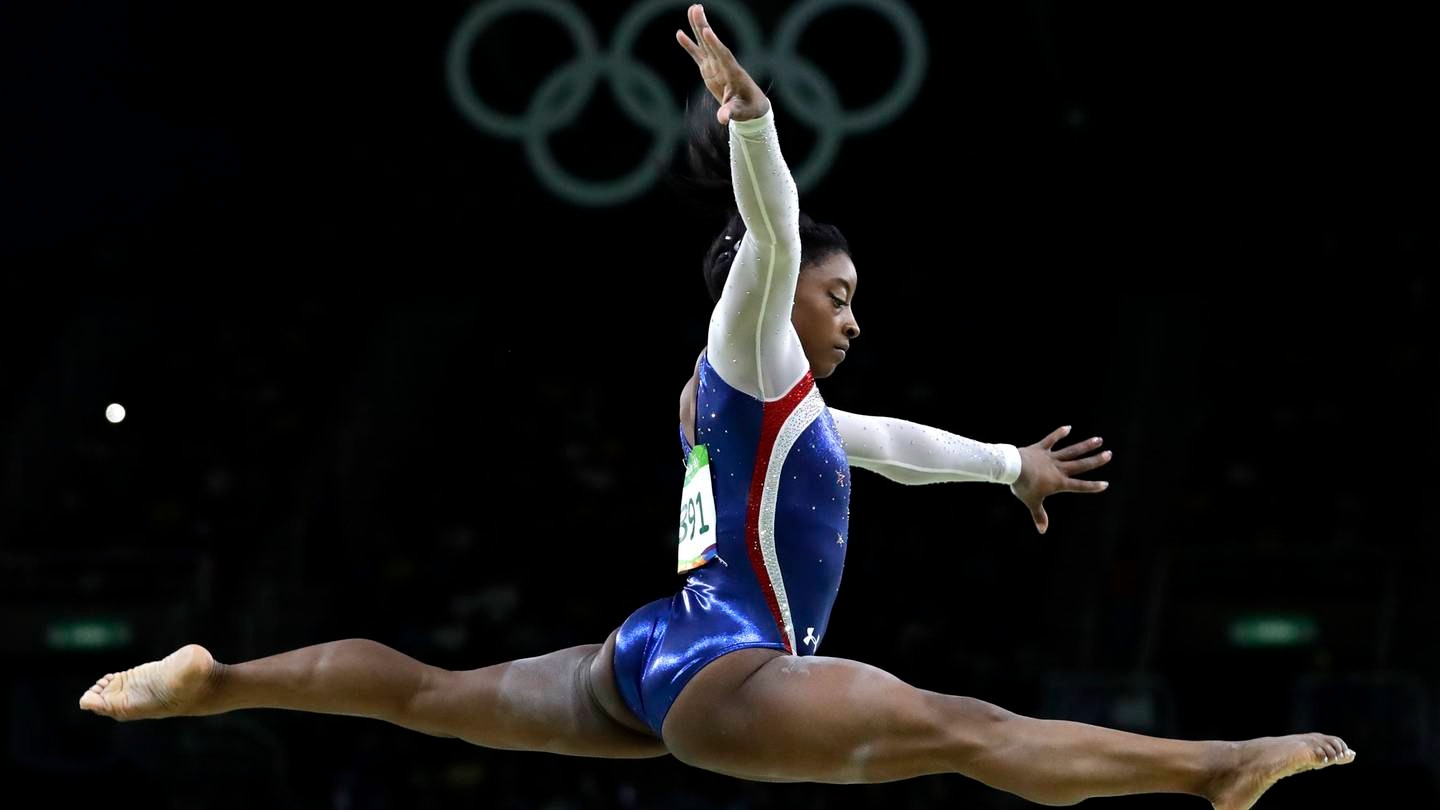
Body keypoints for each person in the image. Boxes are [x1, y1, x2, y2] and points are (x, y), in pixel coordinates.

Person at [80, 6, 1354, 807]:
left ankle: (222, 680)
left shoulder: (762, 404)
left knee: (425, 693)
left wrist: (1003, 465)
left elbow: (884, 447)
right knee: (970, 731)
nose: (852, 319)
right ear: (774, 293)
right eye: (839, 297)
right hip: (727, 665)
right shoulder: (743, 343)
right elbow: (775, 230)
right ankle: (1215, 769)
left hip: (652, 652)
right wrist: (756, 129)